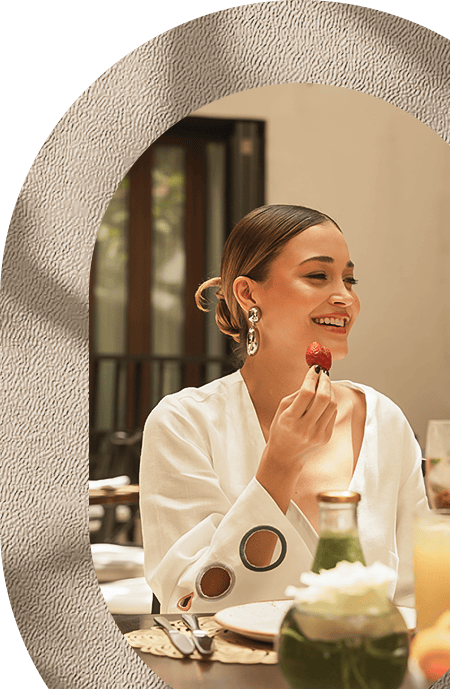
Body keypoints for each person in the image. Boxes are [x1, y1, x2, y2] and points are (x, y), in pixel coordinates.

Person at [139, 204, 428, 613]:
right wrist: (279, 465)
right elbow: (190, 606)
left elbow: (417, 597)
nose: (345, 297)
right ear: (248, 293)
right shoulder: (185, 422)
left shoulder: (382, 419)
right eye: (317, 276)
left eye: (349, 279)